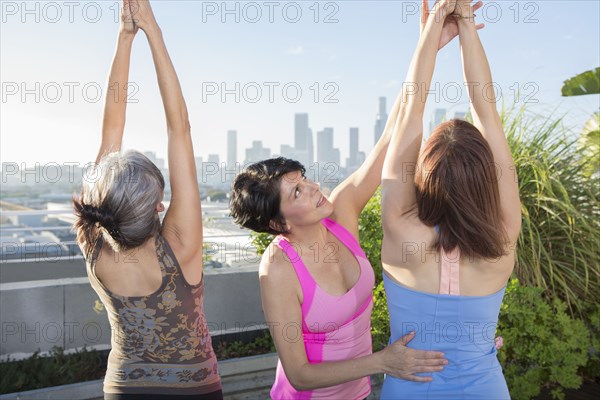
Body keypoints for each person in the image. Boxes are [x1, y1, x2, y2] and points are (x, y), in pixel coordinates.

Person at [229, 4, 483, 398]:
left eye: (305, 179)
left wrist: (428, 47)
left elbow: (391, 137)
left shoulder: (341, 210)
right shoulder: (278, 269)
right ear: (279, 223)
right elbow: (298, 374)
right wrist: (383, 362)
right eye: (296, 191)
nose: (314, 188)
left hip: (359, 393)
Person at [72, 1, 222, 398]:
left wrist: (124, 38)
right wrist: (152, 32)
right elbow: (180, 130)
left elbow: (110, 135)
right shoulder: (180, 245)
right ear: (159, 206)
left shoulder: (93, 238)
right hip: (194, 391)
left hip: (124, 388)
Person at [380, 0, 520, 398]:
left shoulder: (400, 227)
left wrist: (434, 29)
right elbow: (487, 111)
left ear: (424, 175)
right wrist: (468, 27)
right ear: (485, 179)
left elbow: (411, 106)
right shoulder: (502, 237)